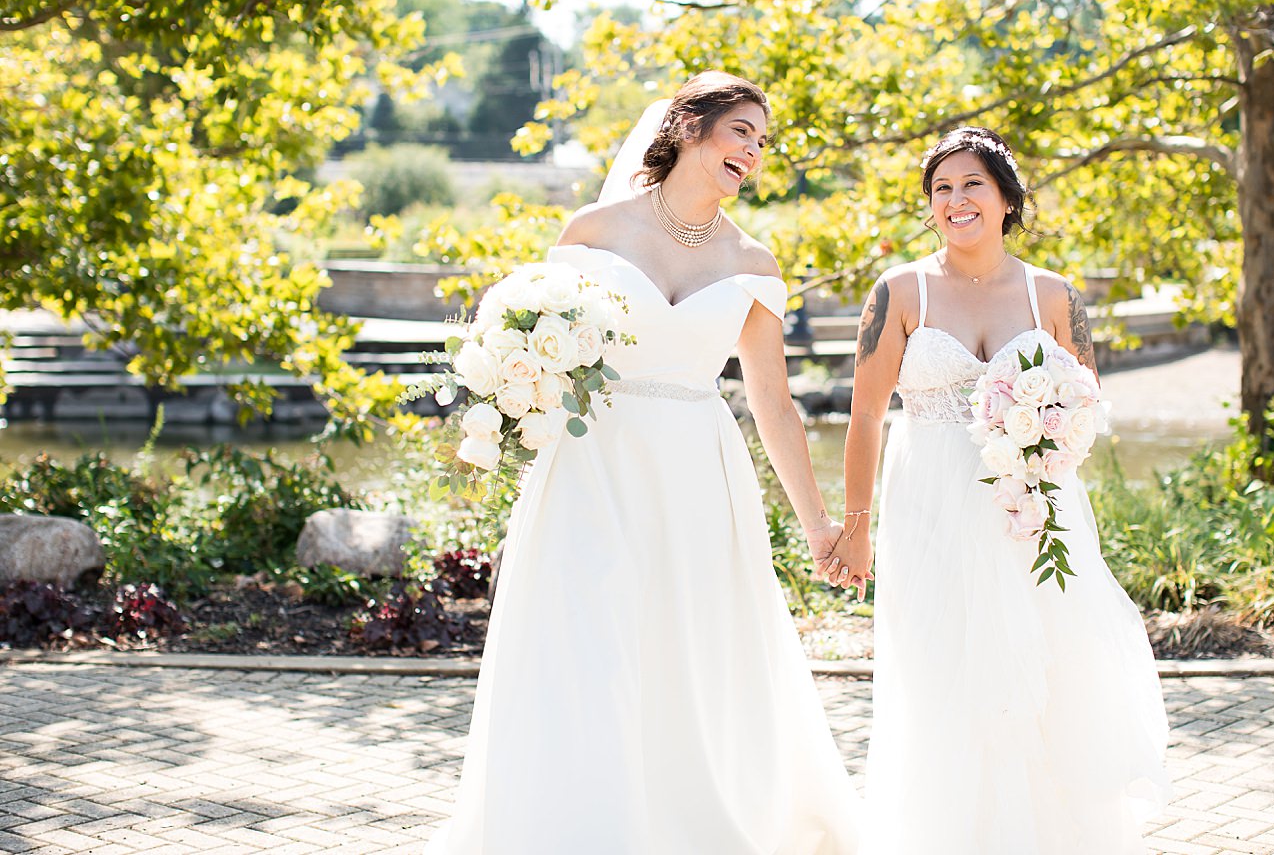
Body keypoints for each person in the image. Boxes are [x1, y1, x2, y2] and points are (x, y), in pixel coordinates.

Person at [424, 72, 860, 855]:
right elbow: (538, 343)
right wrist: (509, 400)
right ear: (690, 128)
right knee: (591, 637)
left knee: (689, 648)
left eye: (762, 142)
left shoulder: (752, 261)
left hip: (698, 471)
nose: (753, 153)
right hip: (596, 464)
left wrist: (819, 523)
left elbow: (771, 400)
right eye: (741, 132)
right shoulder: (593, 230)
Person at [838, 126, 1170, 853]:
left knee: (1046, 673)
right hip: (925, 503)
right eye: (942, 189)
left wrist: (1044, 452)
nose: (956, 200)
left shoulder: (1054, 295)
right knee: (938, 670)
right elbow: (865, 415)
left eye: (972, 185)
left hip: (1034, 512)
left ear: (1007, 199)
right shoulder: (898, 292)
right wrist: (855, 523)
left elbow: (1087, 406)